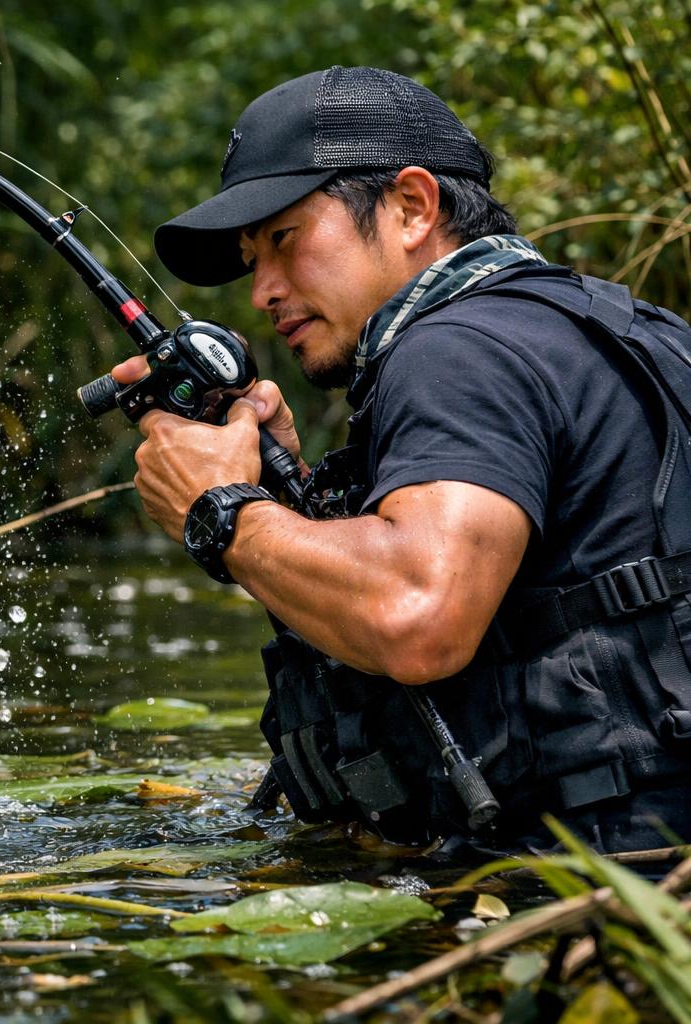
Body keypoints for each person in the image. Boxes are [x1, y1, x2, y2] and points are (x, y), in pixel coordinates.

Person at [113, 66, 691, 854]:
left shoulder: (454, 350)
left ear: (412, 206)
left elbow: (419, 615)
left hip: (599, 879)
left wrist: (220, 512)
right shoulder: (631, 330)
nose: (264, 292)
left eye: (284, 240)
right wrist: (285, 482)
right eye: (253, 261)